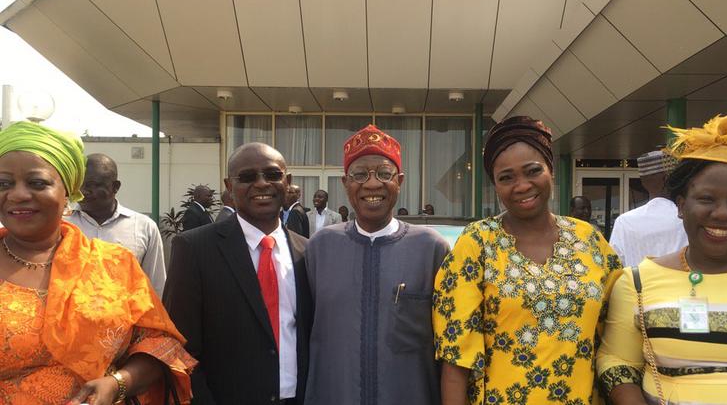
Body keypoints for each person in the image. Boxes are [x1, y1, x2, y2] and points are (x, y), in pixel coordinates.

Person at [597, 115, 727, 404]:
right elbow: (616, 360)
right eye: (707, 199)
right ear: (681, 206)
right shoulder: (637, 282)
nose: (723, 213)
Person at [0, 121, 195, 404]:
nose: (17, 194)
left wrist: (119, 383)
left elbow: (160, 343)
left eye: (37, 182)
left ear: (68, 191)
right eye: (3, 183)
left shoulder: (115, 265)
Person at [434, 116, 622, 405]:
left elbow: (618, 334)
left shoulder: (590, 241)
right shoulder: (477, 243)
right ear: (495, 185)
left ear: (550, 170)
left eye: (532, 171)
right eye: (506, 177)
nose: (521, 186)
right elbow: (457, 356)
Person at [305, 124, 450, 405]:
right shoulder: (320, 248)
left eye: (384, 174)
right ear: (346, 182)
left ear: (400, 180)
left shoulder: (431, 248)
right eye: (360, 175)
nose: (372, 184)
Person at [164, 142, 311, 404]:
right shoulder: (194, 249)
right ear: (229, 187)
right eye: (247, 177)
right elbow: (180, 346)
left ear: (287, 182)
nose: (262, 183)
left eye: (273, 175)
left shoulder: (307, 251)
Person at [66, 153, 167, 296]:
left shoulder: (143, 227)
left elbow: (156, 285)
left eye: (93, 185)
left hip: (128, 317)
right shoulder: (61, 225)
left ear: (115, 187)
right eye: (80, 185)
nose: (84, 192)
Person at [608, 150, 687, 267]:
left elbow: (614, 266)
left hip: (636, 285)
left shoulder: (624, 222)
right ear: (666, 179)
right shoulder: (687, 217)